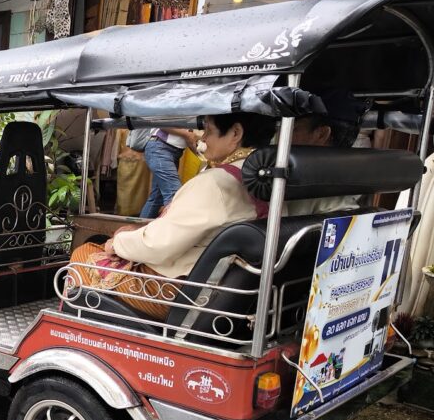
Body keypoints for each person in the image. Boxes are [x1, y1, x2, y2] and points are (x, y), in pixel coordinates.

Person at [70, 112, 276, 320]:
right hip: (224, 291)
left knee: (84, 254)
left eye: (209, 131)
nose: (203, 138)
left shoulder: (215, 183)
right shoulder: (268, 183)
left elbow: (158, 245)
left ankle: (77, 329)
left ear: (235, 133)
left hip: (178, 292)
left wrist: (116, 244)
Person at [285, 89, 365, 216]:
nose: (282, 137)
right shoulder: (338, 184)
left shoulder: (304, 185)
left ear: (321, 134)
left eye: (293, 129)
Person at [140, 126, 199, 218]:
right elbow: (161, 122)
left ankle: (140, 230)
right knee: (175, 196)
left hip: (171, 152)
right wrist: (187, 134)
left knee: (156, 199)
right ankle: (173, 231)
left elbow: (189, 139)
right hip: (160, 148)